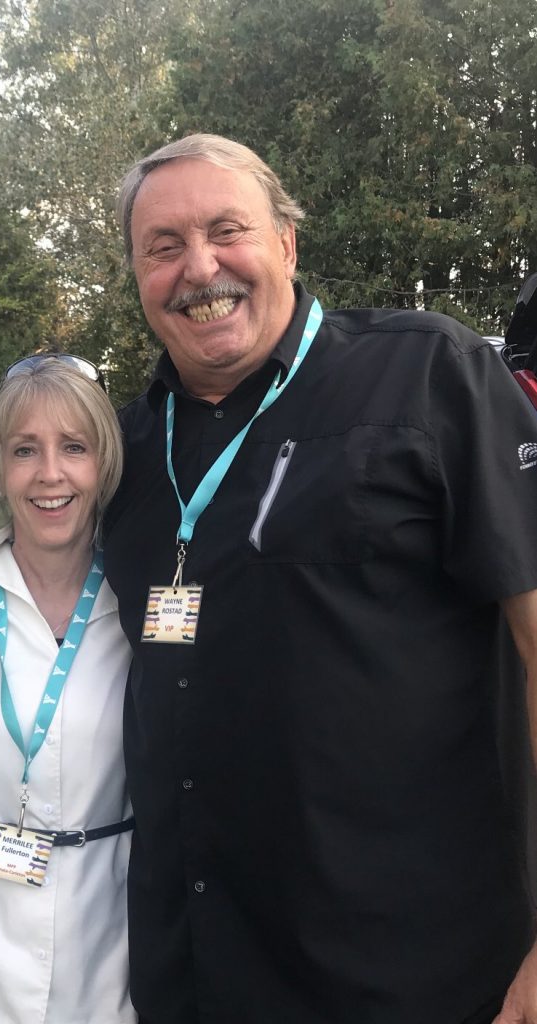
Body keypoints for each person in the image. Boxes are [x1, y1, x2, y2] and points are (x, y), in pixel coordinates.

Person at [102, 133, 537, 1024]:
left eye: (228, 230)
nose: (199, 267)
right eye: (163, 246)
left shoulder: (428, 375)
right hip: (196, 974)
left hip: (416, 975)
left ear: (287, 244)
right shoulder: (124, 449)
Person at [0, 354, 135, 1024]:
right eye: (25, 449)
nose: (50, 474)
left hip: (112, 958)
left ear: (103, 463)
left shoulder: (141, 600)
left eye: (73, 448)